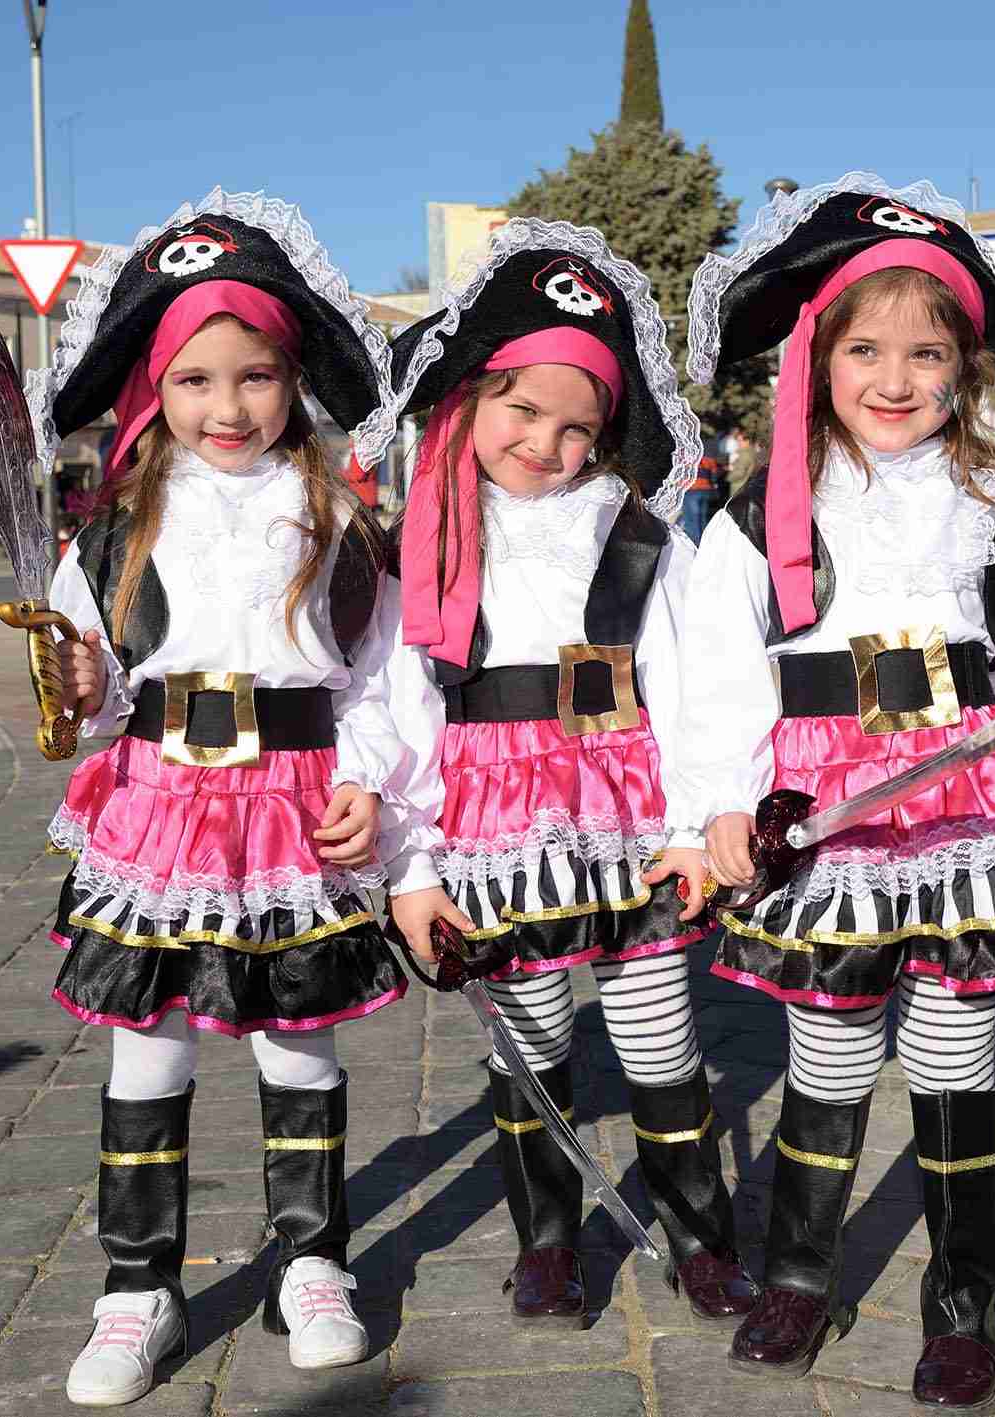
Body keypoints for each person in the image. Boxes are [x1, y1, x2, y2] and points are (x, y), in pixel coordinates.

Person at [676, 176, 995, 1408]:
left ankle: (965, 1296)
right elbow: (717, 679)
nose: (894, 377)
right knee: (823, 1050)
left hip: (961, 806)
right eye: (864, 349)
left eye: (924, 352)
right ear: (814, 361)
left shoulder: (993, 506)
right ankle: (797, 1275)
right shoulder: (748, 519)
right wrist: (716, 800)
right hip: (822, 812)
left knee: (950, 1049)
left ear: (962, 368)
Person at [42, 191, 405, 1405]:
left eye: (253, 376)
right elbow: (82, 709)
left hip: (293, 809)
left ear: (289, 383)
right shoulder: (108, 536)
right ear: (156, 392)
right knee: (149, 1052)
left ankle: (312, 1259)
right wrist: (80, 684)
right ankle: (138, 1284)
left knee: (299, 1044)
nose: (227, 406)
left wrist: (369, 779)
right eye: (194, 380)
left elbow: (378, 680)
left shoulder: (343, 521)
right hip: (161, 806)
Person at [373, 223, 758, 1328]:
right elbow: (400, 711)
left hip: (622, 811)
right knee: (528, 1035)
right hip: (489, 817)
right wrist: (415, 864)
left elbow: (690, 685)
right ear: (470, 401)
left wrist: (692, 824)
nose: (545, 442)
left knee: (656, 1029)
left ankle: (699, 1235)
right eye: (522, 412)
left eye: (576, 425)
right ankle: (545, 1243)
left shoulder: (639, 536)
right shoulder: (421, 543)